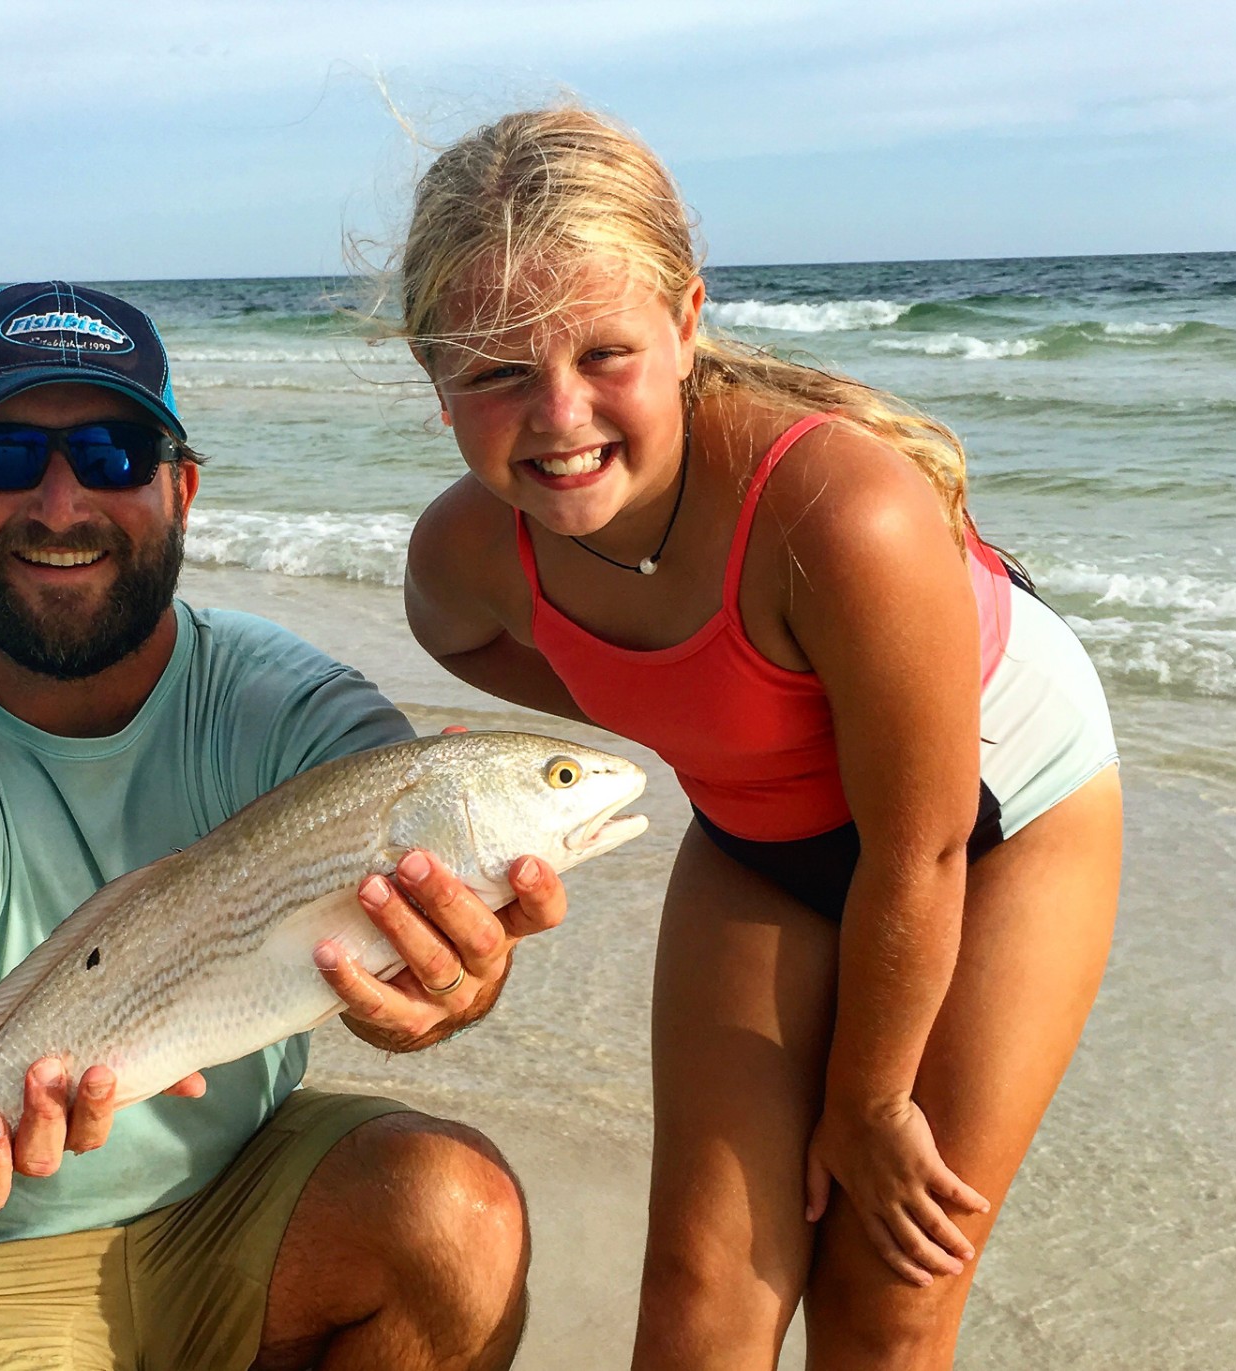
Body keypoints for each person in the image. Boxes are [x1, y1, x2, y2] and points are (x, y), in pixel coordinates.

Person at [392, 109, 1122, 1369]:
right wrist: (706, 727)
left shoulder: (843, 513)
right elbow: (474, 649)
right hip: (763, 836)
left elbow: (921, 846)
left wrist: (870, 1099)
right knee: (698, 1300)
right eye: (498, 372)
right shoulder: (462, 562)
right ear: (434, 376)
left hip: (995, 825)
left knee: (884, 1292)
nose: (559, 416)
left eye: (604, 352)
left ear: (685, 323)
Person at [0, 281, 565, 1371]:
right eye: (0, 458)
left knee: (457, 1222)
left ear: (181, 489)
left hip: (238, 1194)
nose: (59, 504)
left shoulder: (297, 709)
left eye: (113, 454)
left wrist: (455, 987)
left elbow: (422, 938)